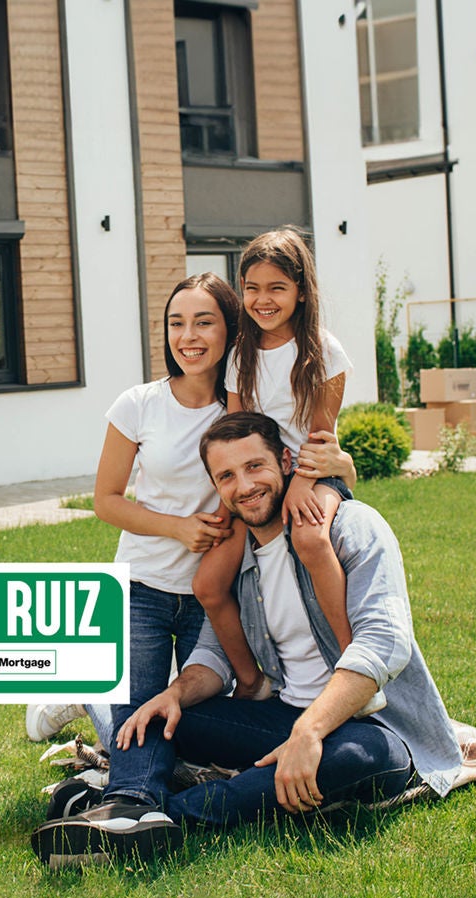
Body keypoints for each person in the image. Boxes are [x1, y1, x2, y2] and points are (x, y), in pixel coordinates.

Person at [31, 411, 467, 868]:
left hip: (370, 727)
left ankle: (160, 819)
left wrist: (311, 730)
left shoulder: (351, 527)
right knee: (155, 716)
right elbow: (212, 655)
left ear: (284, 461)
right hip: (280, 719)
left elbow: (384, 642)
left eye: (254, 467)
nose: (244, 485)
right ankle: (129, 803)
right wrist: (177, 693)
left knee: (363, 757)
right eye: (226, 476)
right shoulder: (239, 562)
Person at [26, 273, 358, 749]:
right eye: (176, 324)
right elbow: (105, 501)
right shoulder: (138, 404)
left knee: (184, 719)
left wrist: (344, 464)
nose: (188, 337)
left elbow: (293, 454)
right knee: (137, 726)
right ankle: (89, 698)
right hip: (145, 585)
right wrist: (179, 528)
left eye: (204, 322)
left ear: (231, 330)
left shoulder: (244, 409)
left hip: (219, 589)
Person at [192, 228, 360, 707]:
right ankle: (251, 681)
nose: (262, 300)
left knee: (308, 538)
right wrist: (233, 502)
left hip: (312, 473)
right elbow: (237, 427)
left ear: (301, 291)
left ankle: (352, 668)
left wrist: (300, 484)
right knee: (207, 582)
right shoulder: (241, 356)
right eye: (252, 288)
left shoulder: (323, 352)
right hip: (257, 481)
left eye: (276, 288)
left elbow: (323, 434)